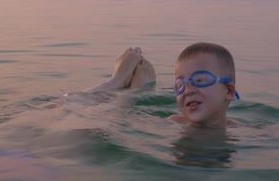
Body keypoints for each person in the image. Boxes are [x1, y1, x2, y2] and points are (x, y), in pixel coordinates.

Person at [85, 43, 239, 127]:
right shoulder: (174, 123)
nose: (188, 90)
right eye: (181, 84)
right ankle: (124, 86)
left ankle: (131, 88)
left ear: (229, 91)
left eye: (200, 80)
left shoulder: (245, 132)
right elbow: (116, 121)